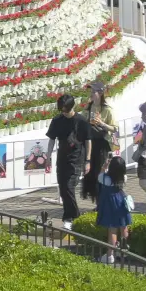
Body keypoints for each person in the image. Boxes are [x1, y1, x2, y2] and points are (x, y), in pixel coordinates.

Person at [46, 93, 88, 225]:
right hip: (62, 158)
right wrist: (48, 157)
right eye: (62, 110)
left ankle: (73, 216)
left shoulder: (80, 121)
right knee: (63, 187)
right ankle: (69, 215)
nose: (64, 113)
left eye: (66, 110)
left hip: (76, 159)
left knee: (69, 186)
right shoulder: (57, 120)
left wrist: (88, 160)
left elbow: (88, 141)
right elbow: (52, 139)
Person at [94, 154, 134, 262]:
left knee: (112, 229)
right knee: (123, 226)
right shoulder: (124, 177)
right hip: (122, 202)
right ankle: (124, 251)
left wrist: (104, 166)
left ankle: (109, 255)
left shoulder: (105, 178)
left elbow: (100, 175)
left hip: (110, 204)